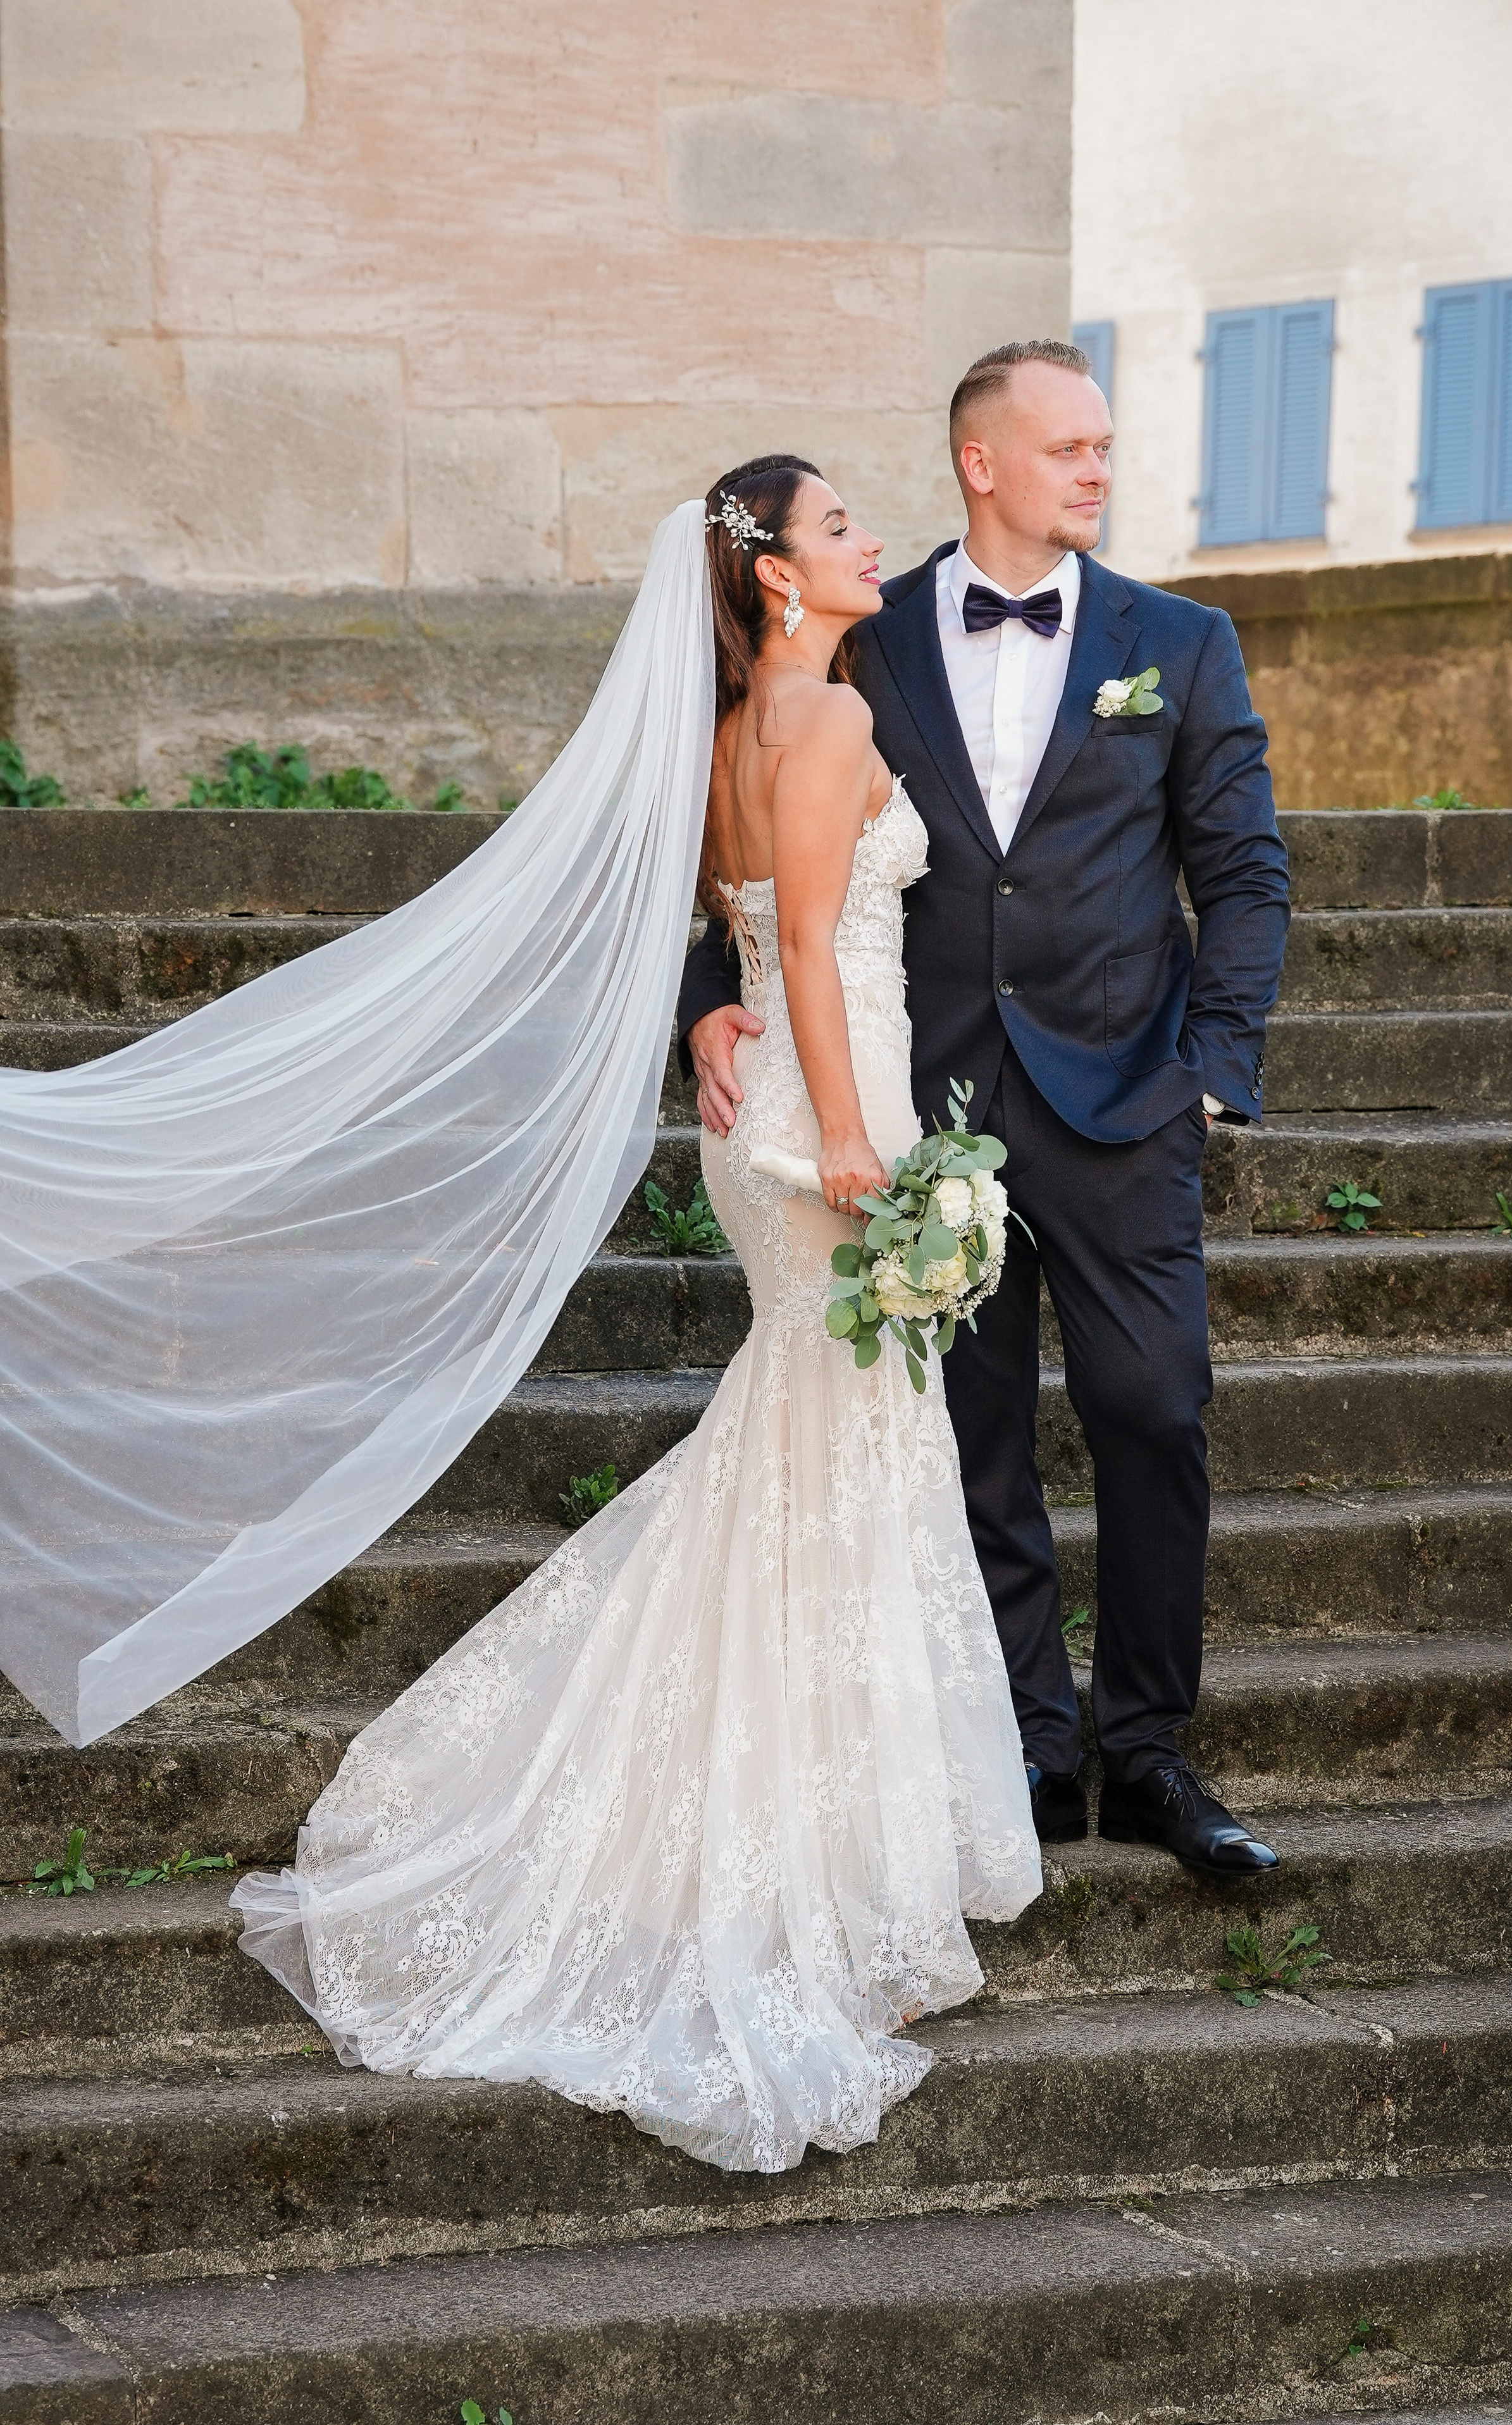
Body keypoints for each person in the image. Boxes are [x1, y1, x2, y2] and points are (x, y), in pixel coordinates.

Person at [232, 457, 1043, 2174]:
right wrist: (849, 1138)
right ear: (777, 580)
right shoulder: (821, 726)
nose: (866, 540)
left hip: (769, 1125)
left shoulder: (739, 729)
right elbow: (812, 953)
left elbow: (740, 935)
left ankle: (803, 1844)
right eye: (836, 529)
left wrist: (734, 1052)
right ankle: (808, 1873)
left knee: (806, 1465)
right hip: (833, 1126)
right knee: (838, 1474)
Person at [679, 340, 1292, 1878]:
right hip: (924, 1104)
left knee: (1154, 1410)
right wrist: (708, 988)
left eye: (1102, 447)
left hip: (1127, 1093)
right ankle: (1025, 1735)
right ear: (981, 463)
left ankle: (1146, 1746)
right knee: (970, 1431)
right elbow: (752, 830)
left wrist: (1214, 1064)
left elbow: (1241, 872)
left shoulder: (1181, 641)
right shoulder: (863, 638)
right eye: (1068, 447)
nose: (1097, 469)